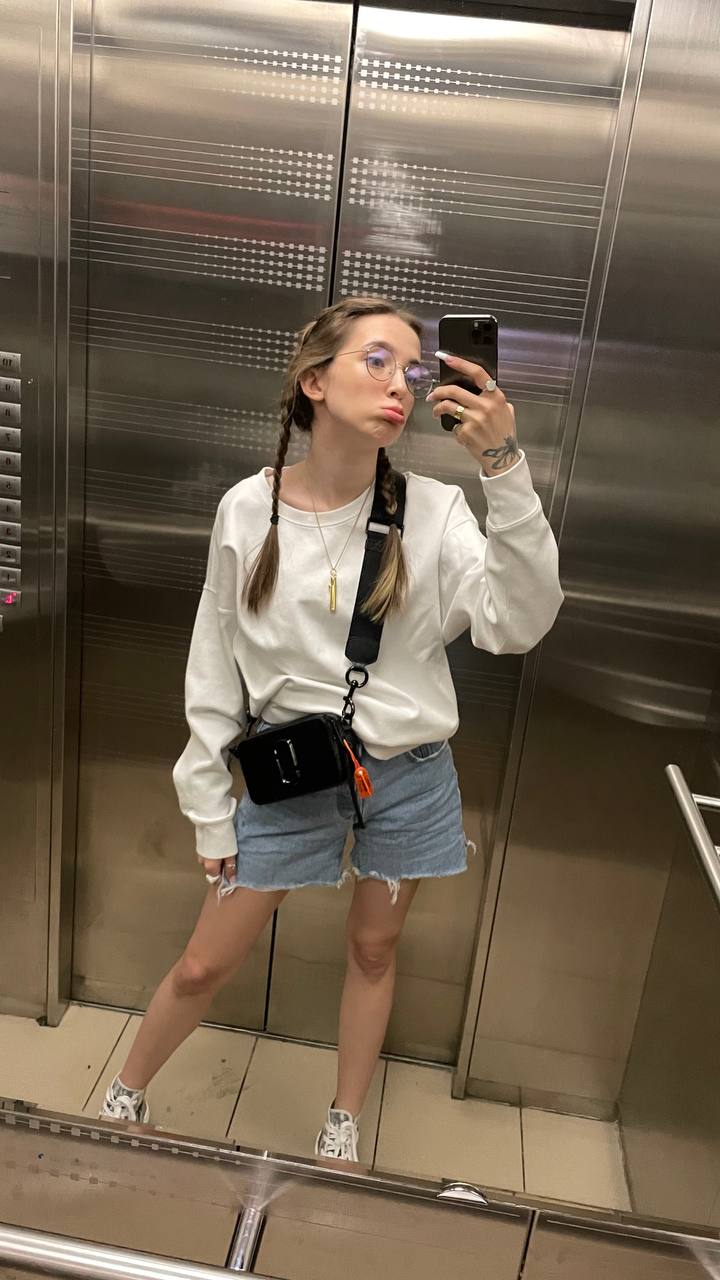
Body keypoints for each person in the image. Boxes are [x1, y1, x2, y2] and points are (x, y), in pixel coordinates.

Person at [100, 296, 563, 1160]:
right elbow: (215, 659)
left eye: (411, 369)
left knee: (374, 951)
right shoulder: (249, 509)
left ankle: (342, 1124)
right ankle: (122, 1097)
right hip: (291, 773)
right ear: (315, 381)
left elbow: (518, 623)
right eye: (376, 360)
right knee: (204, 962)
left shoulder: (435, 511)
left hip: (409, 778)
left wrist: (504, 466)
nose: (401, 384)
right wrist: (207, 806)